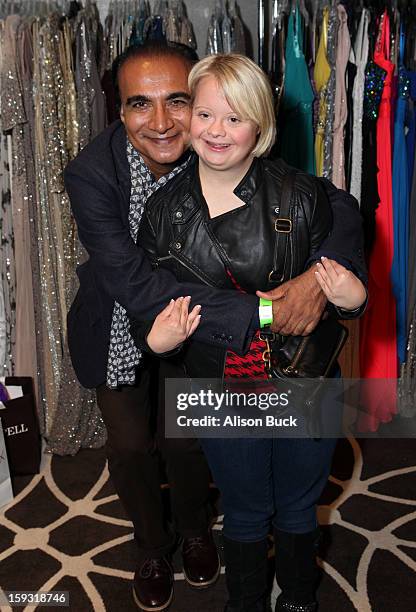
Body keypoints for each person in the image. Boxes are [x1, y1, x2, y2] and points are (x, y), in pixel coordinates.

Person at [64, 41, 366, 611]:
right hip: (129, 317)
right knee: (132, 446)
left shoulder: (224, 143)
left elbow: (335, 203)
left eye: (178, 101)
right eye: (138, 104)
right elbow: (143, 289)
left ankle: (202, 532)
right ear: (118, 109)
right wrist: (274, 309)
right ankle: (154, 546)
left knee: (198, 450)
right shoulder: (93, 176)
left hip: (265, 366)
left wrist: (331, 277)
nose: (161, 121)